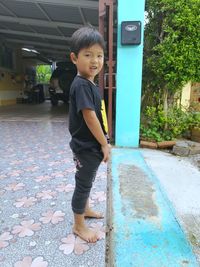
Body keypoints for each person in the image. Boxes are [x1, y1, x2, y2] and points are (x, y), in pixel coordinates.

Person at [68, 26, 111, 243]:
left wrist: (104, 139)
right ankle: (78, 225)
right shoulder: (82, 85)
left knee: (88, 180)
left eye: (99, 55)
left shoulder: (90, 83)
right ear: (74, 58)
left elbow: (99, 115)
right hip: (86, 147)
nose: (95, 60)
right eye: (88, 55)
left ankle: (85, 209)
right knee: (83, 183)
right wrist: (104, 144)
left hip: (89, 146)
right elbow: (90, 117)